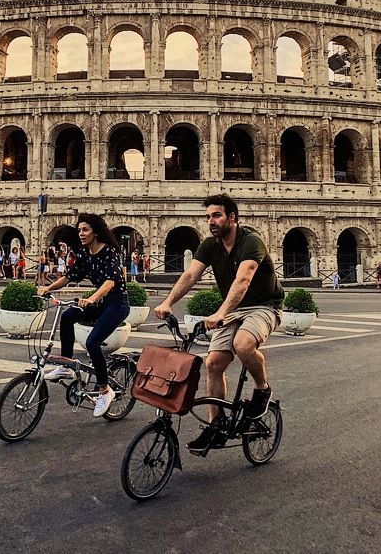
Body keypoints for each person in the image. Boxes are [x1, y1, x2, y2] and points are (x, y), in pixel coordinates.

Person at [153, 193, 284, 453]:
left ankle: (262, 388)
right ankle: (216, 426)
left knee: (243, 344)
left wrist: (221, 312)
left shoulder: (251, 241)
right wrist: (168, 302)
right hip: (233, 310)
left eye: (216, 215)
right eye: (208, 217)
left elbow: (243, 279)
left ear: (232, 218)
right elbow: (191, 274)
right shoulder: (210, 245)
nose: (211, 221)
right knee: (213, 363)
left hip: (264, 306)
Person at [39, 213, 131, 418]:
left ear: (96, 232)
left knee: (92, 342)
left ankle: (105, 390)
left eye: (85, 230)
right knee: (68, 315)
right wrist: (47, 288)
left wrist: (91, 298)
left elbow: (111, 281)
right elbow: (69, 276)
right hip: (99, 302)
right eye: (79, 230)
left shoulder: (110, 252)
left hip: (117, 303)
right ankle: (66, 365)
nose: (81, 233)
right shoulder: (84, 254)